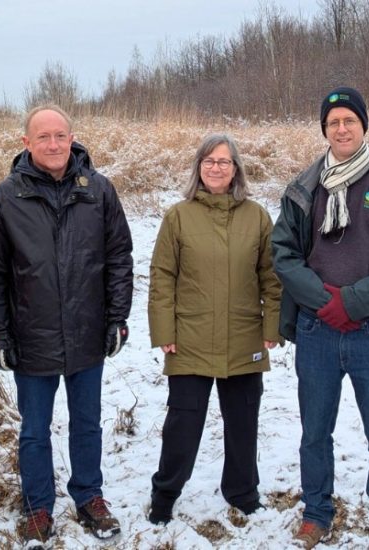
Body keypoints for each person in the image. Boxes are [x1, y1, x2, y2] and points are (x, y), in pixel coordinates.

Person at [271, 86, 369, 550]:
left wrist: (353, 302)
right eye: (333, 122)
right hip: (317, 329)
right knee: (315, 431)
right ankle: (317, 513)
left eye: (349, 121)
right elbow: (283, 254)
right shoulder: (303, 188)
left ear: (363, 126)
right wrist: (323, 301)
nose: (341, 128)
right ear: (324, 130)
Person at [0, 105, 133, 544]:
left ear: (72, 137)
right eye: (43, 137)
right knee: (34, 429)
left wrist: (117, 316)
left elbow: (119, 258)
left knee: (87, 423)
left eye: (60, 135)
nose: (53, 144)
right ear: (27, 143)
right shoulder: (6, 198)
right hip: (31, 337)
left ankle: (89, 497)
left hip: (87, 332)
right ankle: (38, 507)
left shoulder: (98, 191)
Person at [147, 134, 282, 525]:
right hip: (189, 340)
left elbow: (271, 278)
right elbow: (162, 278)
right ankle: (165, 493)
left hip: (244, 338)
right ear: (198, 168)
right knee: (182, 425)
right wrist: (164, 330)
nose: (216, 168)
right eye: (208, 161)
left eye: (224, 161)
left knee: (243, 422)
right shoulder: (178, 216)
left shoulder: (256, 216)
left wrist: (271, 326)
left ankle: (242, 491)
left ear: (236, 168)